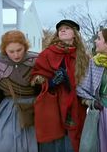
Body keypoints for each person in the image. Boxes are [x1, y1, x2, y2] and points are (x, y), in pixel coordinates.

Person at [30, 19, 89, 152]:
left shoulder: (82, 57)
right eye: (60, 29)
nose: (62, 30)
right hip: (52, 105)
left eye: (67, 28)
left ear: (75, 34)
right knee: (53, 142)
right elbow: (35, 80)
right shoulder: (47, 53)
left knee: (73, 141)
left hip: (75, 105)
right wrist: (51, 82)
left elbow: (88, 80)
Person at [0, 30, 38, 152]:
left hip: (34, 109)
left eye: (19, 50)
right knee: (1, 144)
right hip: (8, 110)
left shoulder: (36, 61)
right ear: (4, 50)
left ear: (25, 47)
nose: (16, 55)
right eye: (11, 51)